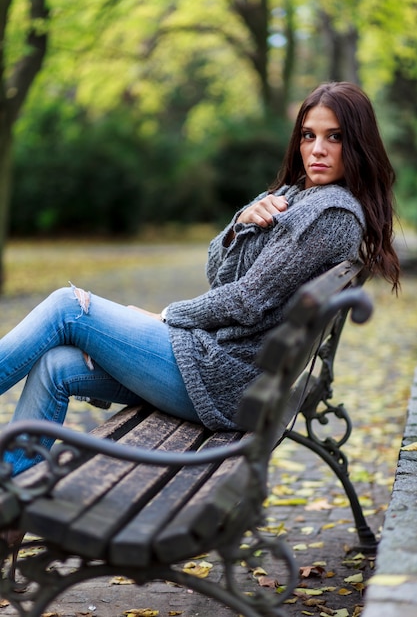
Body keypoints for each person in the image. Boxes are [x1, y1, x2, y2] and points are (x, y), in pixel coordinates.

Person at [0, 81, 400, 478]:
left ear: (359, 144)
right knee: (56, 366)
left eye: (335, 137)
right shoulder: (296, 197)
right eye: (308, 135)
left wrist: (166, 316)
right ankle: (12, 503)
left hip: (219, 378)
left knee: (68, 306)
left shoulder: (330, 214)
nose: (317, 149)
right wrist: (240, 223)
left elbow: (245, 300)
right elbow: (218, 273)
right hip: (214, 370)